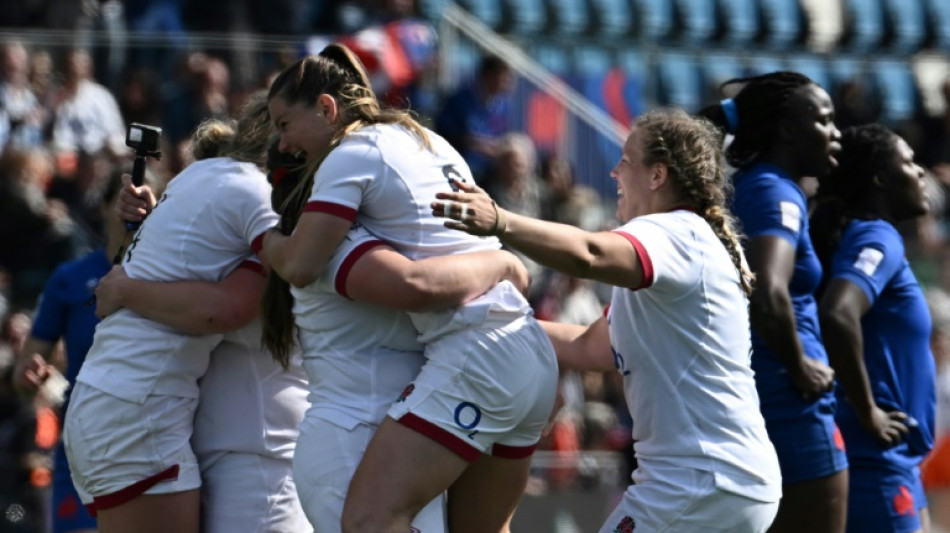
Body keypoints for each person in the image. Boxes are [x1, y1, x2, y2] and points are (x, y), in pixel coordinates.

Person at [435, 107, 782, 532]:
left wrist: (500, 221)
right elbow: (589, 346)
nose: (615, 173)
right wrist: (483, 322)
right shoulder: (685, 243)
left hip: (699, 482)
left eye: (626, 161)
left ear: (657, 176)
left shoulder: (675, 231)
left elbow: (590, 253)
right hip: (726, 481)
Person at [262, 43, 559, 533]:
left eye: (284, 125)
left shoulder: (351, 153)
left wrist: (266, 237)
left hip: (478, 358)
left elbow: (299, 265)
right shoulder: (429, 140)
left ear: (327, 108)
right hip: (528, 356)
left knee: (369, 520)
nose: (285, 143)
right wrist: (504, 265)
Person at [61, 92, 276, 533]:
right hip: (136, 414)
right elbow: (229, 308)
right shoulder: (258, 190)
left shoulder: (197, 177)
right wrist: (125, 289)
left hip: (114, 403)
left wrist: (125, 287)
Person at [89, 132, 313, 533]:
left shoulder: (275, 239)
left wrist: (125, 289)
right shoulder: (248, 236)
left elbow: (224, 309)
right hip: (216, 455)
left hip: (258, 468)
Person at [698, 71, 847, 533]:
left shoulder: (765, 185)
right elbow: (767, 290)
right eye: (825, 121)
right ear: (787, 130)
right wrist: (801, 365)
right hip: (789, 402)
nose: (836, 133)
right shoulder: (772, 190)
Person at [811, 124, 935, 533]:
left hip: (896, 460)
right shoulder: (878, 237)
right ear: (881, 178)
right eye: (909, 162)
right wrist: (869, 413)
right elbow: (837, 313)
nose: (920, 173)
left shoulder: (857, 235)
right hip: (874, 460)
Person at [12, 170, 131, 533]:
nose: (134, 206)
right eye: (124, 196)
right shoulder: (70, 278)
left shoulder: (172, 277)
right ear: (105, 207)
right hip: (81, 453)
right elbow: (22, 376)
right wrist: (32, 378)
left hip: (152, 448)